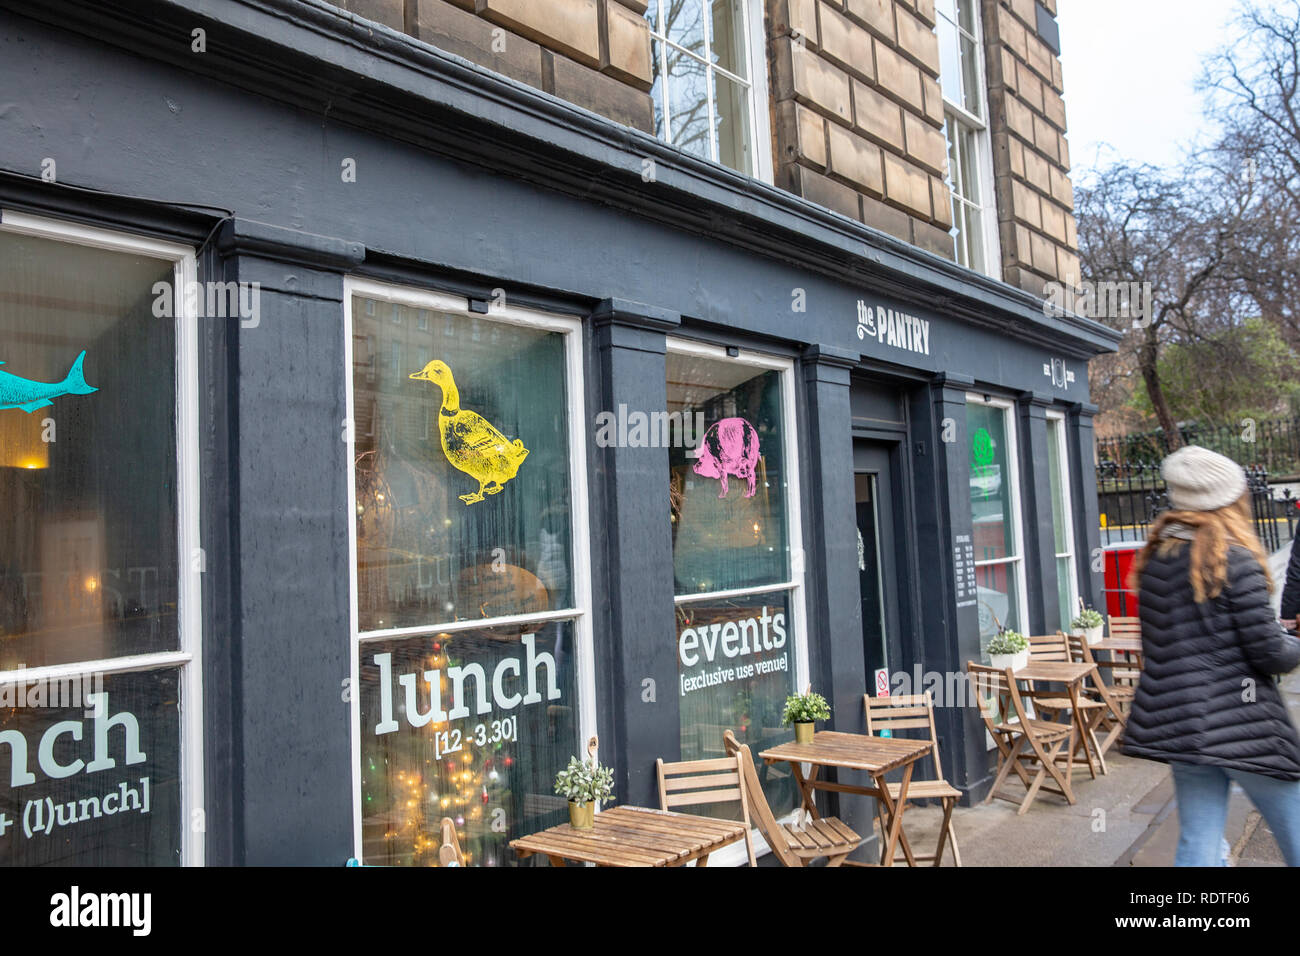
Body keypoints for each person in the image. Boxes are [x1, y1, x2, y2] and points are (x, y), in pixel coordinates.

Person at [1124, 445, 1300, 866]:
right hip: (1246, 727)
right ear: (1229, 498)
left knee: (1199, 843)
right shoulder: (1236, 561)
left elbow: (1174, 644)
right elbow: (1271, 655)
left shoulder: (1154, 561)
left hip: (1181, 725)